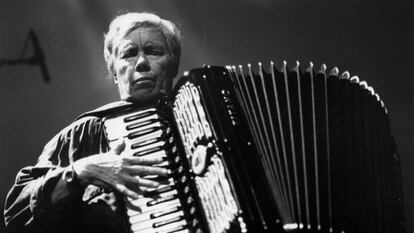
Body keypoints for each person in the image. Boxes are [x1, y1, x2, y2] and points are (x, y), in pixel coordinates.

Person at [4, 12, 182, 233]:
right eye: (129, 54)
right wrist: (81, 171)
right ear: (115, 72)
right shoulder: (85, 132)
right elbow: (17, 216)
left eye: (154, 52)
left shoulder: (201, 118)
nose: (142, 63)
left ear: (174, 65)